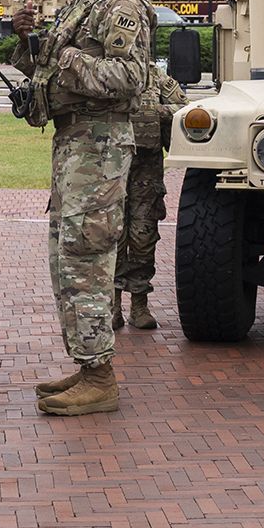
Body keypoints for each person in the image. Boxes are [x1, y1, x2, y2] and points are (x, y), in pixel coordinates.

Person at [14, 0, 155, 416]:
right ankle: (87, 362)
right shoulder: (83, 3)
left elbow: (127, 78)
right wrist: (27, 41)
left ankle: (101, 377)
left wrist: (68, 56)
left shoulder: (120, 5)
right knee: (68, 258)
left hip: (99, 149)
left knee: (87, 257)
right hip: (75, 145)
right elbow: (50, 73)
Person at [115, 50, 187, 331]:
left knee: (143, 236)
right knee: (113, 236)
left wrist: (157, 112)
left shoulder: (156, 77)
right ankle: (113, 305)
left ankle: (139, 304)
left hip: (147, 170)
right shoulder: (109, 75)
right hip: (113, 168)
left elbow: (184, 108)